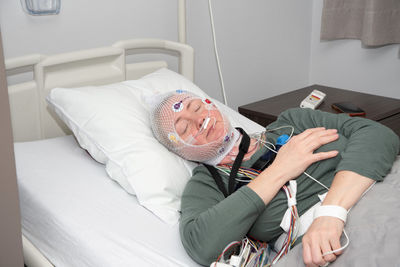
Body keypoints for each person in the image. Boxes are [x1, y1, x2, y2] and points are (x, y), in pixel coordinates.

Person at [150, 90, 399, 267]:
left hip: (385, 185)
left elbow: (378, 135)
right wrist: (281, 169)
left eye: (196, 108)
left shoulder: (292, 122)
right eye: (184, 128)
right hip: (345, 239)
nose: (199, 120)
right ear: (179, 149)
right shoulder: (208, 183)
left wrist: (331, 213)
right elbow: (202, 245)